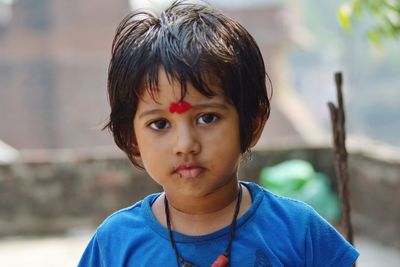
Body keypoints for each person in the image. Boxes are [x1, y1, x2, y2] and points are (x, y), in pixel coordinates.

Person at [78, 1, 359, 266]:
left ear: (252, 123)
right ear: (131, 138)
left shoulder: (301, 233)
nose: (185, 144)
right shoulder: (114, 244)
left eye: (207, 118)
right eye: (160, 124)